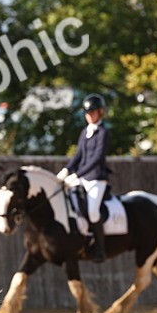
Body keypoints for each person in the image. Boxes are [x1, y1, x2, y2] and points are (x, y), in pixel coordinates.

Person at [57, 93, 111, 262]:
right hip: (81, 177)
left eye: (93, 112)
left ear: (100, 113)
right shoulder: (84, 132)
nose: (90, 116)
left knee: (93, 211)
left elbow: (96, 159)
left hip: (96, 178)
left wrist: (77, 174)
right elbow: (79, 155)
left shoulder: (103, 132)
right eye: (87, 113)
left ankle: (100, 249)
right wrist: (66, 170)